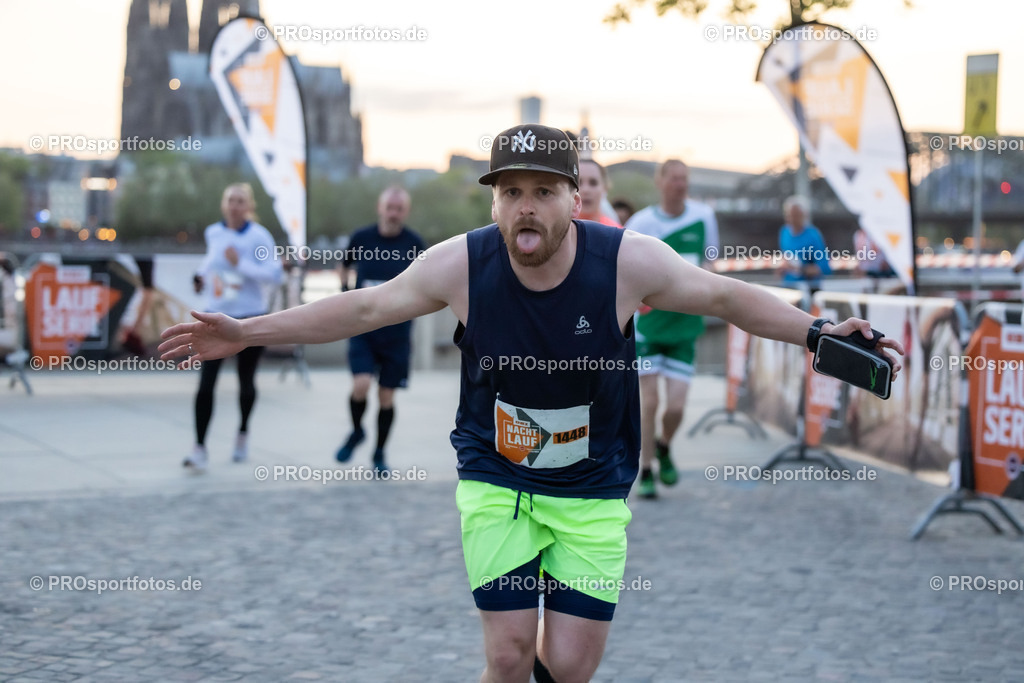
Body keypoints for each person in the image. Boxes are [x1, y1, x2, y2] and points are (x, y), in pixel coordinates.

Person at [161, 124, 903, 683]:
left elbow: (725, 295)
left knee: (570, 666)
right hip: (498, 481)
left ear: (573, 199)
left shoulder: (625, 263)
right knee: (511, 652)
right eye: (510, 191)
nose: (525, 207)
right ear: (494, 199)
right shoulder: (462, 264)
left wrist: (816, 330)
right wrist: (245, 331)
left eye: (542, 191)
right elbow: (363, 309)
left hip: (591, 489)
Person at [624, 159, 719, 499]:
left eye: (685, 178)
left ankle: (664, 447)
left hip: (685, 327)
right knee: (648, 404)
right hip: (648, 329)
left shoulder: (703, 217)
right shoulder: (642, 222)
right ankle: (646, 470)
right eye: (674, 178)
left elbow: (710, 265)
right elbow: (627, 270)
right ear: (660, 181)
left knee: (676, 408)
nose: (680, 184)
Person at [183, 183, 282, 472]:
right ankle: (199, 447)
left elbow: (274, 275)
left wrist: (242, 265)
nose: (235, 206)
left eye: (240, 201)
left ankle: (242, 433)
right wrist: (199, 278)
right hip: (215, 315)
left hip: (249, 318)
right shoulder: (214, 232)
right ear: (223, 205)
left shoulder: (259, 237)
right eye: (230, 201)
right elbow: (210, 262)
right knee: (206, 383)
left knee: (246, 381)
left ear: (249, 206)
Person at [335, 186, 426, 473]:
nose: (393, 213)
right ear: (380, 207)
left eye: (399, 208)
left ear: (405, 212)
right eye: (390, 207)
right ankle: (357, 431)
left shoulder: (415, 243)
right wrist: (346, 292)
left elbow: (428, 279)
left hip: (397, 334)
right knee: (360, 385)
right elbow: (344, 264)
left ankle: (379, 453)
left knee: (386, 396)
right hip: (363, 327)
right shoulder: (362, 237)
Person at [778, 195, 831, 288]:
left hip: (808, 288)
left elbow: (824, 268)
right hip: (788, 286)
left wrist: (801, 270)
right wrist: (783, 268)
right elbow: (787, 258)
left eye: (795, 216)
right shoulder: (784, 232)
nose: (792, 220)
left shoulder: (813, 236)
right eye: (789, 215)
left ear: (804, 215)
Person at [577, 160, 621, 227]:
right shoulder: (557, 228)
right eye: (578, 183)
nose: (586, 190)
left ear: (605, 187)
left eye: (593, 183)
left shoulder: (616, 232)